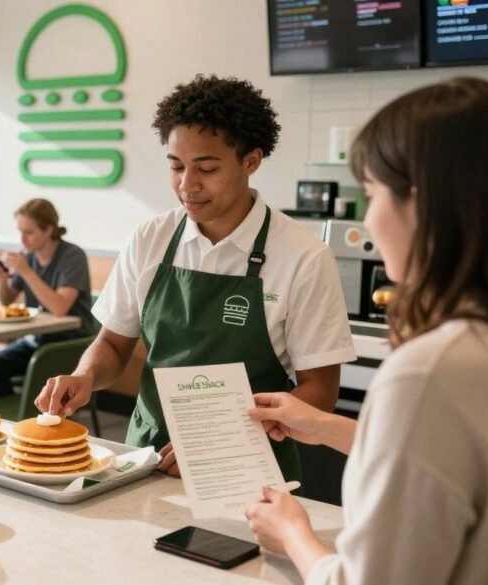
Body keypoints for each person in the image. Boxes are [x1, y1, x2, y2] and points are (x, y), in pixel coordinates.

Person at [244, 77, 488, 584]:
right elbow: (460, 465)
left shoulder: (430, 371)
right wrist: (326, 426)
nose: (370, 222)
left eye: (372, 194)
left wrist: (293, 534)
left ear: (422, 203)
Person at [35, 75, 356, 481]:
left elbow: (320, 392)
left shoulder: (303, 258)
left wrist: (217, 445)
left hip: (249, 468)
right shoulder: (151, 238)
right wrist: (84, 377)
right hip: (146, 456)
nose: (187, 185)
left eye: (206, 168)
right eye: (176, 167)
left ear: (251, 161)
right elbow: (114, 346)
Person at [0, 198, 95, 399]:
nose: (22, 239)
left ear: (48, 230)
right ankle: (13, 419)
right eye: (20, 231)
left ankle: (30, 418)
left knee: (39, 377)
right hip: (37, 340)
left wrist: (26, 272)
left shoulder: (72, 256)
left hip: (70, 343)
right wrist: (1, 278)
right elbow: (7, 300)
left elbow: (60, 307)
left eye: (29, 232)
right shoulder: (29, 256)